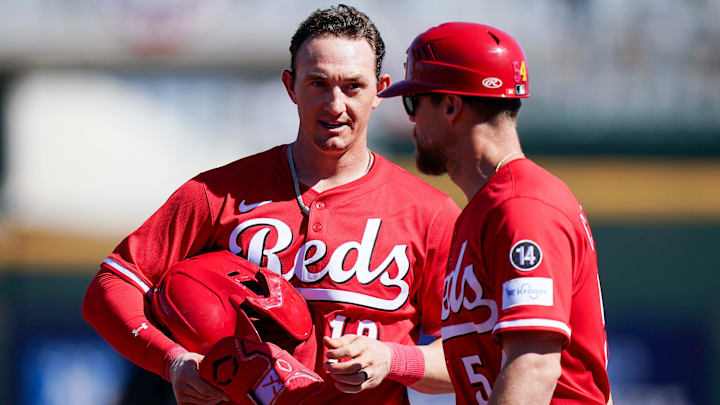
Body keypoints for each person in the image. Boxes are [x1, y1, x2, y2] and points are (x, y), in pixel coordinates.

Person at [82, 5, 459, 405]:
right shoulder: (218, 191)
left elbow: (478, 356)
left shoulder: (429, 214)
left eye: (353, 86)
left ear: (380, 88)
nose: (335, 104)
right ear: (290, 86)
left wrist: (395, 359)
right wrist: (173, 361)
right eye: (317, 83)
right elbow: (111, 287)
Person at [379, 22, 612, 404]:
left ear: (451, 106)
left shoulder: (522, 207)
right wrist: (392, 358)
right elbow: (469, 368)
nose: (411, 120)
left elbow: (533, 364)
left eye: (413, 102)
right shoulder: (484, 209)